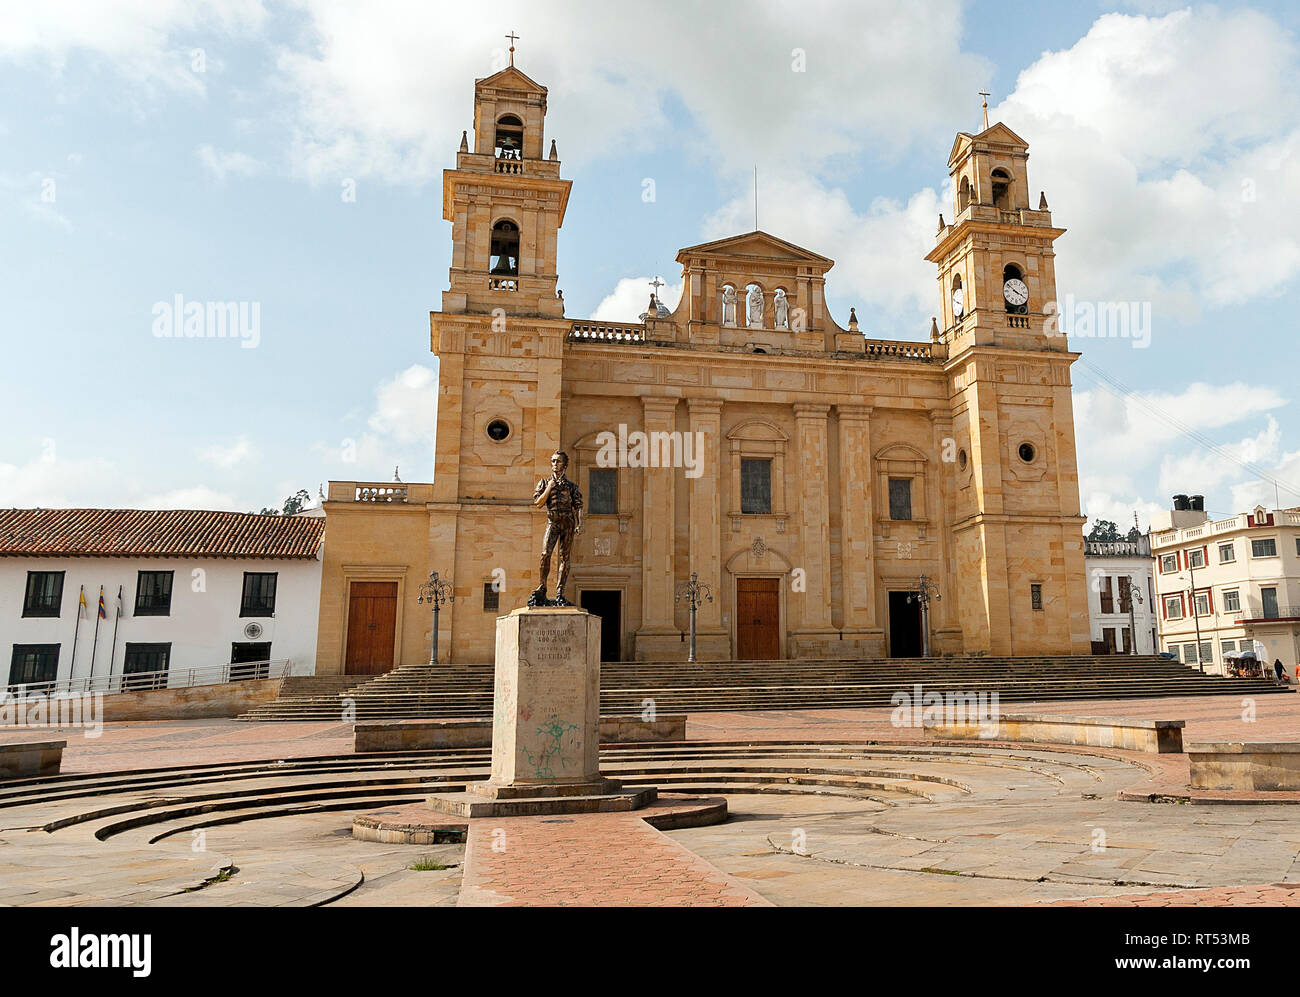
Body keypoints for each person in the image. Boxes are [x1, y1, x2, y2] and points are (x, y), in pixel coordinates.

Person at [527, 450, 583, 607]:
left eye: (558, 461)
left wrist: (580, 523)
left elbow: (578, 505)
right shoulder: (544, 483)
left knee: (565, 558)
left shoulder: (571, 486)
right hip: (552, 521)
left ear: (565, 465)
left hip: (568, 522)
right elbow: (538, 503)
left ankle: (560, 592)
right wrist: (549, 488)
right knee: (545, 553)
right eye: (552, 461)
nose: (554, 464)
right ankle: (543, 586)